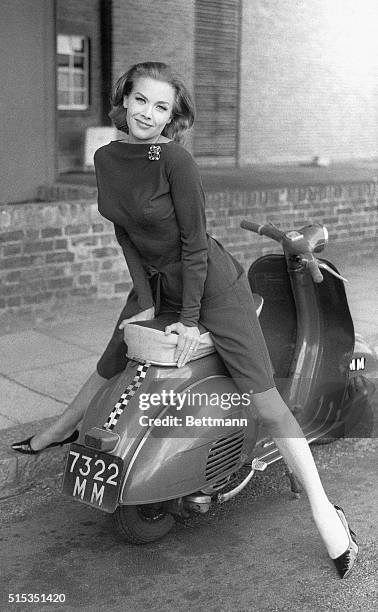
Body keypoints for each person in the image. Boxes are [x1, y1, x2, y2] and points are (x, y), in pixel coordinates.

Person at [12, 61, 358, 578]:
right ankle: (60, 430)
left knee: (266, 399)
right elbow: (124, 231)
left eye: (162, 107)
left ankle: (326, 516)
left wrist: (190, 319)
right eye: (141, 100)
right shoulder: (106, 157)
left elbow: (196, 244)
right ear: (123, 98)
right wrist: (147, 301)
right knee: (114, 357)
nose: (148, 114)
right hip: (156, 285)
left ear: (172, 117)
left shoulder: (174, 160)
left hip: (212, 288)